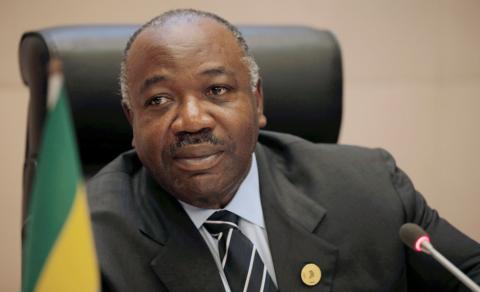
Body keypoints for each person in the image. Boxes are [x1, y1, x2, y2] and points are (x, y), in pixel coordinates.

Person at [87, 9, 480, 292]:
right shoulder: (85, 242)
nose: (191, 120)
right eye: (158, 100)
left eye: (217, 90)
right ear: (132, 121)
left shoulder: (373, 188)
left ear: (257, 102)